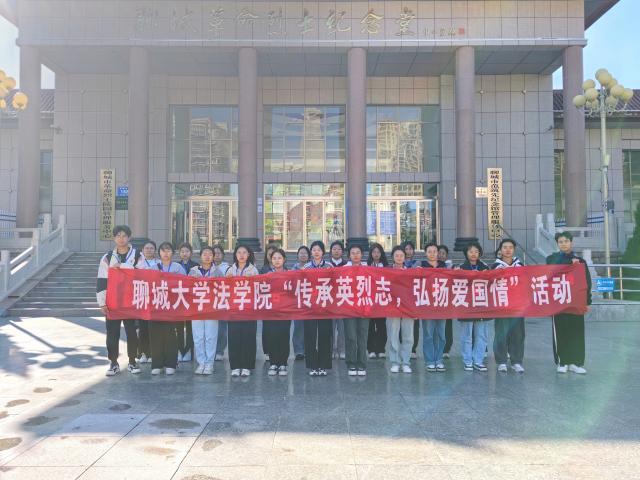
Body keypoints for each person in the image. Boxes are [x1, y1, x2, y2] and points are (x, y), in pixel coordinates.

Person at [96, 225, 141, 377]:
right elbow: (102, 280)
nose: (121, 239)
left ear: (129, 237)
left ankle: (132, 361)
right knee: (112, 333)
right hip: (113, 301)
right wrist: (102, 301)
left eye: (124, 236)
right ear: (114, 238)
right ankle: (113, 363)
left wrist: (123, 266)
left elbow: (142, 274)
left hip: (131, 301)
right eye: (118, 236)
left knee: (132, 333)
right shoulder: (107, 257)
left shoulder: (137, 255)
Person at [546, 231, 591, 374]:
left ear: (571, 242)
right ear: (557, 244)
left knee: (576, 332)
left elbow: (587, 282)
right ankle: (562, 362)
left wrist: (587, 301)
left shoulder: (580, 262)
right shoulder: (551, 259)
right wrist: (569, 264)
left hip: (576, 303)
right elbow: (552, 271)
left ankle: (576, 363)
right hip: (559, 302)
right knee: (561, 331)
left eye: (566, 241)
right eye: (560, 242)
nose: (564, 244)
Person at [225, 244, 260, 377]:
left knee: (248, 337)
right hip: (234, 309)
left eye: (244, 252)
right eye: (239, 252)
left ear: (248, 255)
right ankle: (235, 366)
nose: (241, 255)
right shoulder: (230, 270)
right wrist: (227, 281)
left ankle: (246, 365)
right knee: (233, 337)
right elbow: (224, 289)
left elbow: (258, 288)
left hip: (248, 309)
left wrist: (252, 280)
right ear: (235, 255)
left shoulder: (253, 270)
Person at [492, 239, 526, 374]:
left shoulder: (520, 265)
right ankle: (501, 361)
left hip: (517, 306)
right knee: (501, 333)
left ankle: (516, 361)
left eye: (510, 247)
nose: (507, 250)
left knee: (518, 334)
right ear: (500, 250)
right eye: (504, 247)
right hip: (501, 306)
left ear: (514, 249)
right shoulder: (495, 266)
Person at [457, 242, 490, 372]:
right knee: (467, 336)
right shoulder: (461, 268)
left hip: (482, 305)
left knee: (481, 335)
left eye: (476, 251)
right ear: (466, 253)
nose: (473, 254)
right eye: (471, 251)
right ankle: (467, 361)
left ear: (479, 253)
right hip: (466, 306)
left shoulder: (485, 267)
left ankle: (478, 360)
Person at [151, 242, 183, 375]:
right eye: (163, 250)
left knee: (171, 336)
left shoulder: (178, 267)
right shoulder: (153, 268)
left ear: (173, 253)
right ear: (159, 253)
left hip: (172, 306)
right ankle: (157, 364)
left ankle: (171, 363)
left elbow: (184, 284)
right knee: (156, 335)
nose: (166, 253)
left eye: (168, 250)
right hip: (156, 306)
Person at [303, 240, 333, 376]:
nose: (316, 252)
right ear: (311, 252)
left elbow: (334, 284)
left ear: (323, 252)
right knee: (310, 335)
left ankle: (323, 365)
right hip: (310, 306)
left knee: (324, 335)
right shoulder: (306, 267)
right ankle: (312, 365)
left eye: (319, 250)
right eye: (314, 250)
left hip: (325, 305)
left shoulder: (329, 266)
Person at [189, 246, 219, 375]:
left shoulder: (218, 272)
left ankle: (209, 363)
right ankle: (201, 362)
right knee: (198, 337)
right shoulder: (193, 271)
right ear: (200, 256)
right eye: (204, 254)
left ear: (213, 257)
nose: (207, 256)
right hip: (197, 308)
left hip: (212, 308)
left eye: (210, 254)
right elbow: (187, 289)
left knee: (211, 337)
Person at [262, 249, 291, 376]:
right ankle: (273, 363)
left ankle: (283, 363)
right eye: (274, 258)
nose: (277, 260)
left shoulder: (290, 274)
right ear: (271, 260)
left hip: (286, 310)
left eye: (279, 258)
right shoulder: (267, 275)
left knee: (284, 336)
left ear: (284, 260)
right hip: (271, 310)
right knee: (272, 336)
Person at [421, 242, 447, 372]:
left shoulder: (445, 267)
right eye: (429, 251)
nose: (432, 254)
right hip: (427, 306)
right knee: (428, 334)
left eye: (434, 251)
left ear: (438, 253)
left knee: (441, 335)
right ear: (425, 253)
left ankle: (439, 359)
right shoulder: (421, 266)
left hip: (442, 305)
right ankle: (430, 361)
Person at [387, 246, 413, 373]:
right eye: (396, 255)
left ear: (405, 257)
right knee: (393, 334)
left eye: (401, 255)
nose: (399, 258)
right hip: (392, 307)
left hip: (408, 307)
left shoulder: (411, 272)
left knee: (408, 335)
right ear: (392, 257)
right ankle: (395, 361)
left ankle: (406, 362)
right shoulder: (386, 272)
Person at [343, 244, 369, 376]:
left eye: (358, 252)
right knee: (351, 336)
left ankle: (362, 363)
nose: (355, 255)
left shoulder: (368, 269)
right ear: (349, 255)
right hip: (348, 307)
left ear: (362, 254)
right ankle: (351, 362)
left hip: (364, 307)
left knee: (362, 335)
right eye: (353, 253)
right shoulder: (343, 269)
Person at [134, 239, 158, 364]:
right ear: (142, 250)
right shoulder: (137, 263)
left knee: (153, 328)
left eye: (151, 248)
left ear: (155, 251)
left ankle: (152, 353)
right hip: (142, 298)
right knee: (142, 328)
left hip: (155, 299)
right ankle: (143, 353)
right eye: (146, 248)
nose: (149, 250)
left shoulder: (159, 263)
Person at [176, 242, 198, 363]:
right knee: (178, 326)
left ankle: (189, 350)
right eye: (182, 251)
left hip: (191, 299)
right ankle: (179, 350)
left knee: (191, 327)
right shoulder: (176, 266)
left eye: (187, 251)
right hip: (179, 299)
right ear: (179, 253)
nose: (185, 254)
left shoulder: (196, 266)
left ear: (191, 253)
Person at [367, 242, 388, 359]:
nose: (376, 254)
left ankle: (381, 349)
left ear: (381, 253)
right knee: (370, 326)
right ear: (371, 253)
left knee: (381, 326)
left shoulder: (386, 266)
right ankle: (371, 349)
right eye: (374, 252)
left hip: (381, 300)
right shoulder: (366, 266)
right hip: (369, 300)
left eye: (378, 252)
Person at [291, 245, 310, 360]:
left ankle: (308, 349)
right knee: (298, 327)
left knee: (309, 327)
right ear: (297, 255)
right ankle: (298, 351)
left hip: (310, 302)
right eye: (301, 253)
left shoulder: (312, 268)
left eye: (305, 253)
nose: (303, 255)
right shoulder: (293, 269)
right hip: (297, 302)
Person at [260, 244, 278, 361]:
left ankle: (277, 350)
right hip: (267, 302)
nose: (271, 256)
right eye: (269, 254)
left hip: (279, 303)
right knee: (267, 328)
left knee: (278, 328)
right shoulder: (264, 269)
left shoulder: (283, 268)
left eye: (273, 254)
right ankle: (267, 351)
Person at [329, 240, 347, 360]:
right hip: (329, 301)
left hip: (343, 300)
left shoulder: (346, 265)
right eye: (334, 249)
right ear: (331, 251)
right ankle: (331, 350)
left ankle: (342, 350)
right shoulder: (327, 265)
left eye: (339, 249)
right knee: (330, 328)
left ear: (342, 252)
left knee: (342, 328)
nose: (336, 251)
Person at [212, 245, 230, 361]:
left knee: (222, 328)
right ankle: (211, 350)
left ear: (223, 255)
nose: (216, 255)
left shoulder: (227, 268)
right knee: (211, 328)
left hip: (223, 301)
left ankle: (219, 350)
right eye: (214, 253)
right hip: (210, 301)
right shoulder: (206, 267)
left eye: (219, 253)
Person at [403, 241, 420, 358]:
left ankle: (413, 349)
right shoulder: (398, 264)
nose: (408, 251)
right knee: (402, 324)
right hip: (402, 298)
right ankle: (403, 346)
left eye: (410, 249)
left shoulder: (418, 264)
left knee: (415, 325)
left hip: (415, 298)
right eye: (406, 249)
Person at [438, 244, 454, 359]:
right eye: (438, 253)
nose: (440, 255)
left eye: (443, 253)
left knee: (447, 325)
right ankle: (437, 347)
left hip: (448, 300)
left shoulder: (451, 267)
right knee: (435, 325)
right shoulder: (429, 267)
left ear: (446, 255)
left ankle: (446, 348)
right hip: (434, 300)